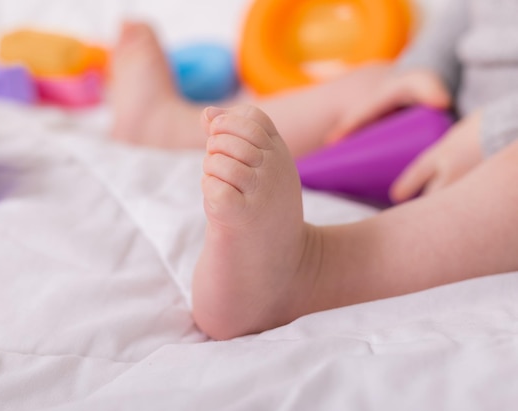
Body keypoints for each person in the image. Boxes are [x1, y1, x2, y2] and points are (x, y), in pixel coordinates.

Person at [110, 0, 518, 340]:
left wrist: (495, 131)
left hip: (502, 136)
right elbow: (469, 11)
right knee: (373, 83)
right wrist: (424, 68)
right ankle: (169, 128)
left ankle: (315, 270)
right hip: (452, 107)